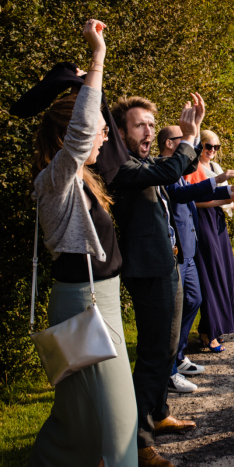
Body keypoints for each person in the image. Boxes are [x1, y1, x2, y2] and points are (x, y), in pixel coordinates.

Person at [29, 19, 138, 467]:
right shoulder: (54, 182)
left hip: (101, 300)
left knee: (78, 419)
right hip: (84, 304)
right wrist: (97, 58)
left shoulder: (89, 179)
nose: (105, 134)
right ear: (66, 138)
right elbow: (81, 132)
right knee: (120, 424)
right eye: (98, 130)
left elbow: (110, 145)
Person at [110, 93, 200, 466]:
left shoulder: (144, 162)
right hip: (147, 271)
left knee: (168, 346)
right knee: (152, 355)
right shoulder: (121, 167)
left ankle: (159, 413)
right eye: (139, 125)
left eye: (151, 123)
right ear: (121, 132)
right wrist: (190, 137)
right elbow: (170, 170)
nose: (148, 130)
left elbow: (170, 174)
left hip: (166, 265)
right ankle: (139, 441)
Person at [158, 125, 234, 392]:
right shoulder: (165, 169)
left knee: (194, 299)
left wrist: (231, 194)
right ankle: (169, 370)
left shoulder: (179, 169)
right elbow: (184, 195)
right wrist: (220, 184)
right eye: (185, 141)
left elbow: (192, 194)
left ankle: (180, 355)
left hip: (190, 246)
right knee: (176, 309)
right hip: (178, 250)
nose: (196, 150)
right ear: (170, 144)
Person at [184, 130, 234, 352]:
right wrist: (225, 197)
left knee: (225, 275)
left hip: (217, 223)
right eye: (208, 146)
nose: (212, 151)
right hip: (203, 224)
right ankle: (208, 333)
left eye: (216, 147)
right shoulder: (193, 168)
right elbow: (193, 201)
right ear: (199, 146)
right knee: (212, 276)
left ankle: (213, 329)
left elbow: (221, 200)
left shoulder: (215, 169)